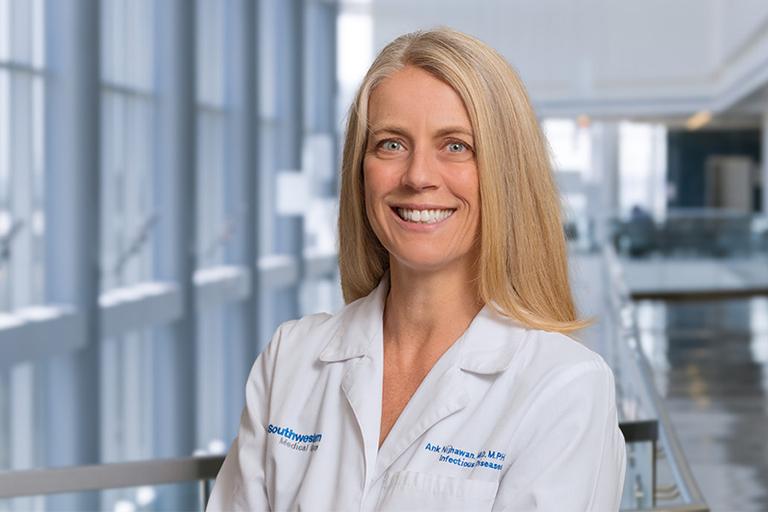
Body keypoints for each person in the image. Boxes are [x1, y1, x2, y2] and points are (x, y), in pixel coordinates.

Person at [207, 27, 626, 511]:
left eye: (455, 146)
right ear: (359, 169)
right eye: (390, 144)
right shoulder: (292, 358)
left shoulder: (563, 385)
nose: (418, 176)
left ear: (505, 172)